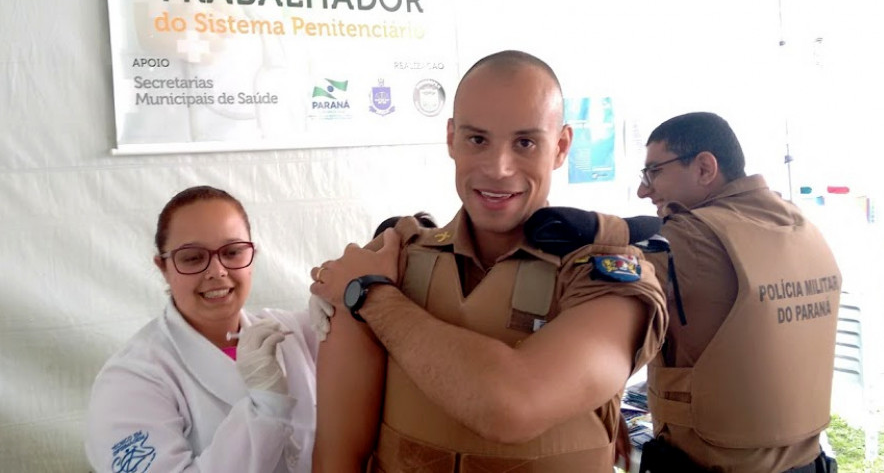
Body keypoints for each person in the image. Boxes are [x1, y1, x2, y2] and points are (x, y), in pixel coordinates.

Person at [309, 49, 668, 472]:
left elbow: (514, 405)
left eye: (525, 142)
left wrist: (372, 297)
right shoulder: (396, 256)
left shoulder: (605, 277)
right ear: (451, 139)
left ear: (561, 146)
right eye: (477, 139)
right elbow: (338, 455)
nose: (498, 168)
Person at [634, 112, 841, 473]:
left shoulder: (689, 238)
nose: (644, 190)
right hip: (809, 461)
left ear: (704, 167)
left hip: (709, 463)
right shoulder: (802, 226)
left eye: (654, 172)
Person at [85, 185, 319, 472]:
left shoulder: (296, 332)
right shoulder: (131, 380)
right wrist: (267, 407)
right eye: (193, 258)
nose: (217, 271)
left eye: (232, 252)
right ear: (163, 267)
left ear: (252, 257)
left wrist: (346, 302)